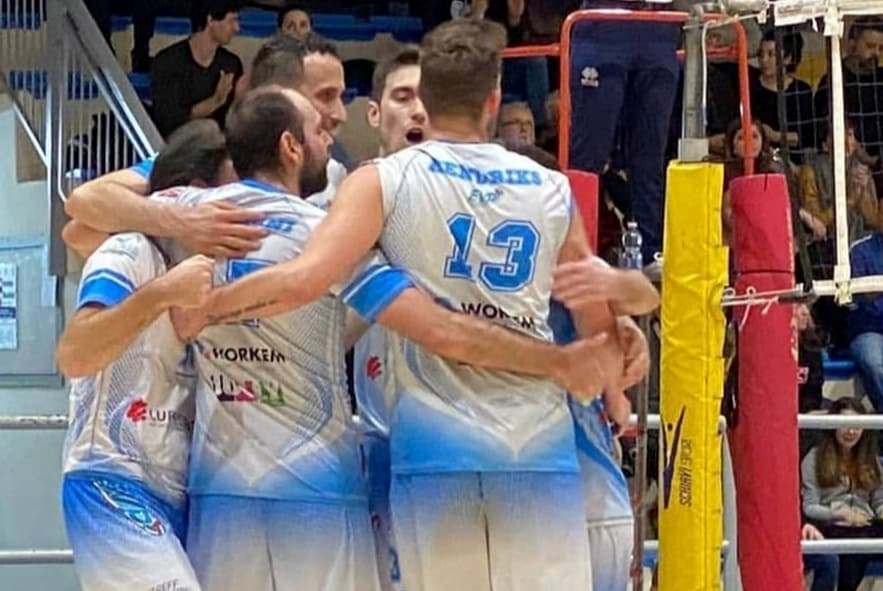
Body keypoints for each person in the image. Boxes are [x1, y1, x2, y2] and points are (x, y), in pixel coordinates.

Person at [191, 19, 630, 591]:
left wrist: (210, 305)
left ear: (426, 99)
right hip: (537, 451)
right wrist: (617, 388)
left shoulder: (382, 181)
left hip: (433, 455)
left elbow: (302, 280)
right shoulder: (550, 187)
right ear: (493, 99)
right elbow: (595, 319)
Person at [55, 120, 237, 591]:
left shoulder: (215, 269)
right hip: (110, 477)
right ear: (194, 192)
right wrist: (160, 295)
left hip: (180, 487)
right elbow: (74, 354)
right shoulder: (128, 250)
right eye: (234, 194)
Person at [568, 0, 680, 263]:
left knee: (650, 157)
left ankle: (649, 253)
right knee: (589, 156)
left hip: (658, 27)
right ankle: (574, 253)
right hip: (603, 26)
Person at [802, 397, 883, 591]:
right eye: (845, 424)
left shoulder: (870, 459)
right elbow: (810, 507)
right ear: (833, 425)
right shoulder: (814, 457)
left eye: (857, 426)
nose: (851, 432)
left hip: (866, 524)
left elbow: (878, 501)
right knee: (855, 550)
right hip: (833, 526)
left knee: (864, 542)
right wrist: (840, 513)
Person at [150, 0, 243, 137]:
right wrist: (215, 101)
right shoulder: (168, 62)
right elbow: (169, 120)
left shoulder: (231, 64)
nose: (237, 28)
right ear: (210, 20)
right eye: (231, 20)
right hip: (177, 144)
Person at [800, 120, 879, 245]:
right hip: (825, 245)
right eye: (839, 134)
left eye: (850, 135)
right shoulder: (810, 171)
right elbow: (815, 222)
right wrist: (849, 201)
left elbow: (873, 221)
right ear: (825, 145)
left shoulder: (861, 171)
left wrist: (862, 194)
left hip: (862, 244)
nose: (846, 141)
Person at [815, 19, 883, 160]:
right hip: (843, 160)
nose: (876, 53)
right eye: (870, 46)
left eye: (881, 48)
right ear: (852, 44)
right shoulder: (834, 79)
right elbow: (821, 127)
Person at [750, 29, 816, 160]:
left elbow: (808, 136)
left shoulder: (801, 90)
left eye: (771, 54)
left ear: (788, 58)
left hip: (795, 161)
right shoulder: (751, 87)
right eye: (761, 54)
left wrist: (775, 136)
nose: (764, 60)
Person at [847, 209, 883, 412]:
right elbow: (860, 294)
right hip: (870, 330)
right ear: (878, 215)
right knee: (874, 363)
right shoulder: (860, 250)